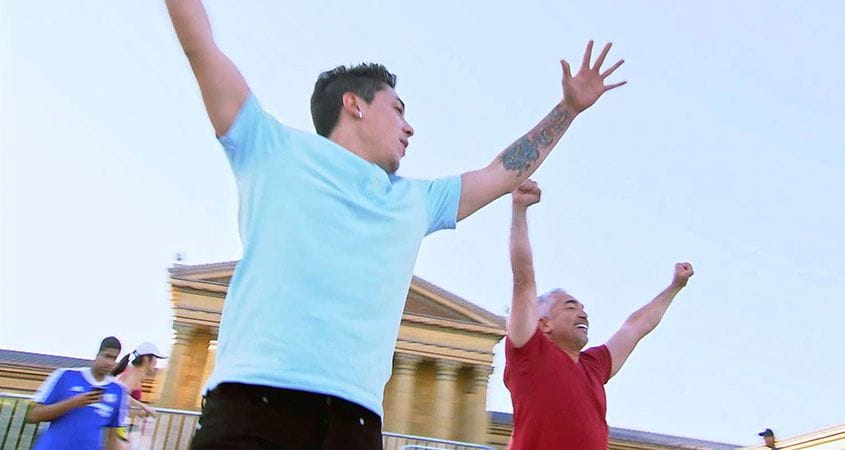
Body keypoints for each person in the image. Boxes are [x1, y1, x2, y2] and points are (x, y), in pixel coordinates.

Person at [165, 1, 625, 448]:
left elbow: (503, 171)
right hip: (254, 406)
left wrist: (568, 109)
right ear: (355, 105)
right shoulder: (271, 148)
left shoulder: (414, 200)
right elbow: (200, 45)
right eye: (398, 109)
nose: (409, 127)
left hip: (355, 422)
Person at [504, 180, 694, 450]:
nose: (582, 313)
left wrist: (674, 287)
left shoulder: (594, 365)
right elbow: (523, 275)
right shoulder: (529, 352)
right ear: (543, 323)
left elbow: (636, 326)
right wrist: (520, 209)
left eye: (583, 308)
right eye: (570, 306)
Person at [26, 336, 128, 450]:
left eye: (114, 358)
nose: (109, 362)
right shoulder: (66, 375)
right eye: (106, 356)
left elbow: (111, 437)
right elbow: (33, 415)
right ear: (97, 355)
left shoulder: (118, 390)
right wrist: (74, 402)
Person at [111, 342, 168, 447]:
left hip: (118, 423)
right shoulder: (136, 373)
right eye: (155, 358)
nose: (156, 362)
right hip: (117, 424)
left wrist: (139, 411)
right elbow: (122, 395)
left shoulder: (130, 370)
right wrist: (144, 407)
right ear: (146, 359)